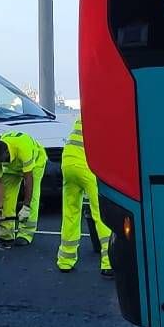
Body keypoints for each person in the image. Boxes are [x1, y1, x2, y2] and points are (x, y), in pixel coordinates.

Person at [55, 116, 111, 275]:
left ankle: (65, 260)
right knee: (100, 213)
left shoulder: (84, 115)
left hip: (67, 163)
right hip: (87, 166)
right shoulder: (106, 119)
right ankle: (108, 263)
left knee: (70, 213)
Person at [0, 131, 47, 243]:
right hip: (12, 166)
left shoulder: (23, 148)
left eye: (0, 161)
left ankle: (25, 234)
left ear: (6, 153)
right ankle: (6, 232)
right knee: (6, 196)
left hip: (35, 163)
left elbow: (28, 179)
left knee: (32, 197)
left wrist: (26, 206)